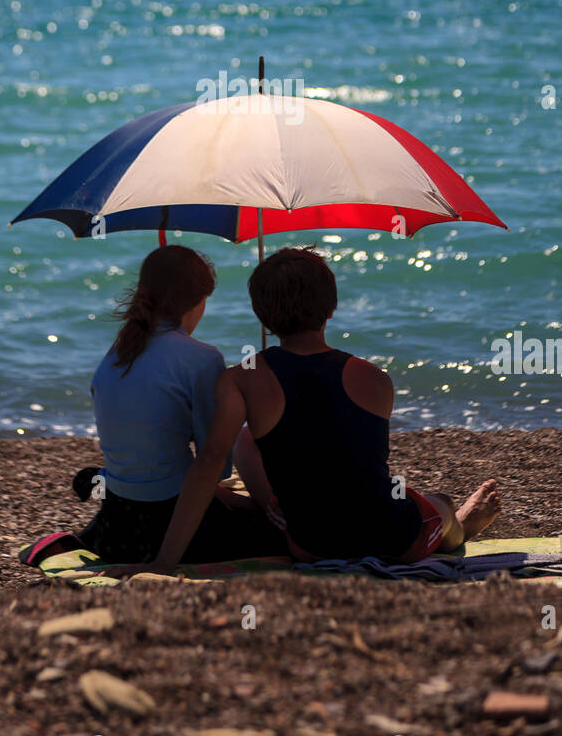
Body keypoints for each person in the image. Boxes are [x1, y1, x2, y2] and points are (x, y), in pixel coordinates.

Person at [120, 246, 501, 574]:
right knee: (441, 506)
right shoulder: (375, 378)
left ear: (262, 317)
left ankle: (451, 520)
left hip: (312, 546)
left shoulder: (241, 379)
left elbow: (209, 462)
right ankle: (461, 527)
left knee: (251, 438)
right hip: (392, 537)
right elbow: (345, 459)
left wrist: (165, 562)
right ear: (331, 308)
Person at [76, 244, 286, 564]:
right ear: (199, 301)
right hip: (166, 524)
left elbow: (151, 458)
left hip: (114, 526)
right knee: (283, 537)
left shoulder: (118, 353)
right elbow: (212, 461)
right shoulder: (202, 358)